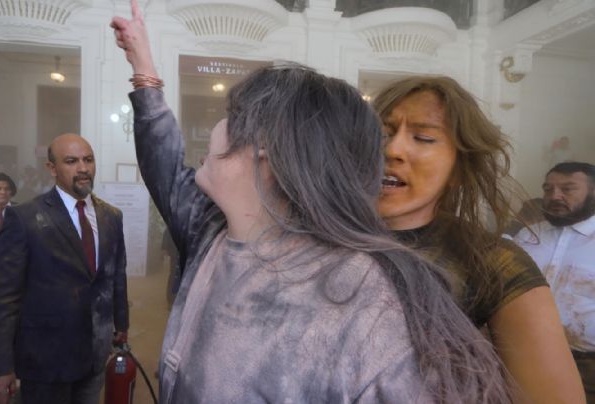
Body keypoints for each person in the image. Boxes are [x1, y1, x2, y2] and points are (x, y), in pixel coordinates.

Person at [112, 2, 511, 402]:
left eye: (230, 114)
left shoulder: (367, 305)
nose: (216, 127)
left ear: (266, 143)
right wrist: (143, 69)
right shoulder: (212, 233)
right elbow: (164, 165)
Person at [373, 76, 585, 403]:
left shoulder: (493, 262)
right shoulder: (306, 242)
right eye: (381, 134)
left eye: (423, 137)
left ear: (459, 169)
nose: (392, 149)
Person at [0, 134, 129, 404]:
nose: (83, 168)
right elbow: (1, 297)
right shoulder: (24, 218)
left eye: (88, 160)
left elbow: (115, 274)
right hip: (46, 360)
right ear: (52, 168)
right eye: (71, 161)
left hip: (95, 354)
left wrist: (121, 323)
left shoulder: (111, 216)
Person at [513, 161, 595, 403]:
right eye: (548, 189)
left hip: (586, 365)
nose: (554, 196)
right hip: (522, 355)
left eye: (567, 189)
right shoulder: (527, 234)